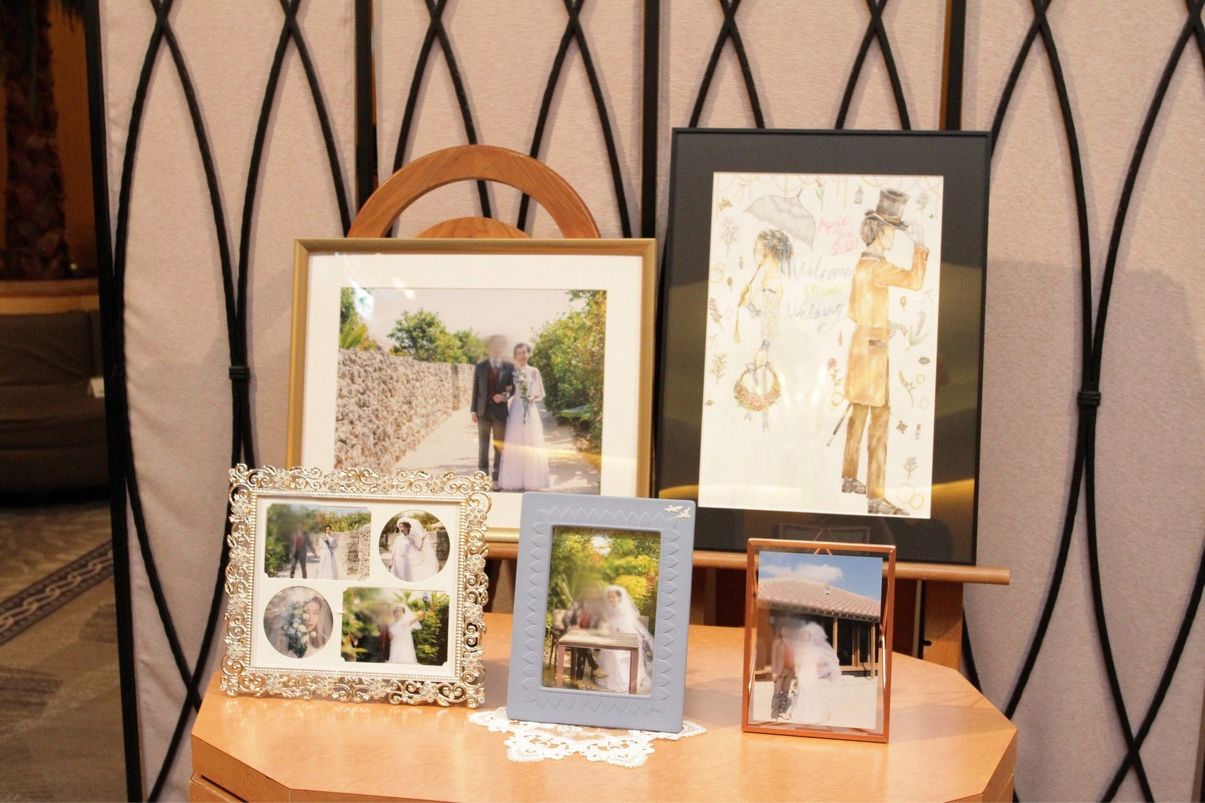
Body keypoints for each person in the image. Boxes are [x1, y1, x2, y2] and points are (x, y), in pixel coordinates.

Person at [841, 188, 928, 516]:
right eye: (892, 230)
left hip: (859, 347)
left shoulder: (861, 265)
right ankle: (876, 497)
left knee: (858, 413)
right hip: (874, 353)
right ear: (879, 231)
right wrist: (920, 247)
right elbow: (915, 281)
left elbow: (855, 311)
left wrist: (877, 325)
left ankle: (849, 477)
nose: (894, 236)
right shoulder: (879, 266)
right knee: (880, 418)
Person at [734, 229, 793, 428]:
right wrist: (747, 303)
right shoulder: (766, 277)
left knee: (763, 388)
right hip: (759, 339)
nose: (754, 252)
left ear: (766, 252)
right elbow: (761, 313)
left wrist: (764, 347)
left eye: (756, 249)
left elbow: (770, 318)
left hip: (765, 343)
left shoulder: (771, 281)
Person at [497, 343, 551, 492]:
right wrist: (502, 396)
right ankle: (514, 480)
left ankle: (532, 480)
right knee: (515, 441)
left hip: (530, 409)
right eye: (519, 353)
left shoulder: (534, 371)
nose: (522, 356)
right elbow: (509, 390)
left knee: (530, 441)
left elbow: (540, 392)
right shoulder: (512, 371)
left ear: (529, 354)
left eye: (524, 352)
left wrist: (532, 397)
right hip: (516, 409)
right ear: (515, 356)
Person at [471, 334, 515, 488]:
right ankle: (483, 478)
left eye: (499, 344)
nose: (496, 347)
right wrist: (473, 411)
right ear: (490, 347)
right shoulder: (480, 366)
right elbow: (476, 389)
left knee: (498, 446)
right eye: (494, 344)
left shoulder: (509, 367)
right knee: (483, 446)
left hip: (500, 413)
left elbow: (512, 389)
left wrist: (503, 397)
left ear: (503, 347)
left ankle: (496, 478)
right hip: (482, 411)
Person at [595, 585, 654, 694]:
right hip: (614, 639)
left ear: (619, 598)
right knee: (607, 651)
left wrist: (614, 634)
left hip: (626, 640)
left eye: (613, 597)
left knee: (616, 654)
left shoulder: (623, 610)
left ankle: (623, 682)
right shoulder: (610, 610)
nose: (611, 599)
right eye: (609, 597)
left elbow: (625, 630)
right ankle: (607, 678)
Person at [788, 621, 842, 725]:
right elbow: (797, 661)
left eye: (807, 635)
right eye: (804, 635)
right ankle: (803, 715)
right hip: (803, 671)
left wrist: (816, 667)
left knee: (811, 692)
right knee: (803, 692)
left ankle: (812, 715)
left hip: (811, 671)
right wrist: (797, 672)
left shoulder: (815, 647)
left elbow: (819, 661)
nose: (805, 637)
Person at [567, 585, 609, 686]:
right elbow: (567, 617)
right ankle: (594, 667)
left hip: (586, 636)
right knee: (583, 645)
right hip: (573, 634)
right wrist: (572, 625)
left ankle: (579, 679)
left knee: (583, 646)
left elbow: (599, 624)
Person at [770, 624, 796, 720]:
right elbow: (773, 658)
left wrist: (794, 668)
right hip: (779, 671)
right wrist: (773, 672)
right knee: (777, 692)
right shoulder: (777, 642)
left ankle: (782, 711)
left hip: (789, 671)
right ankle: (774, 714)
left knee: (785, 692)